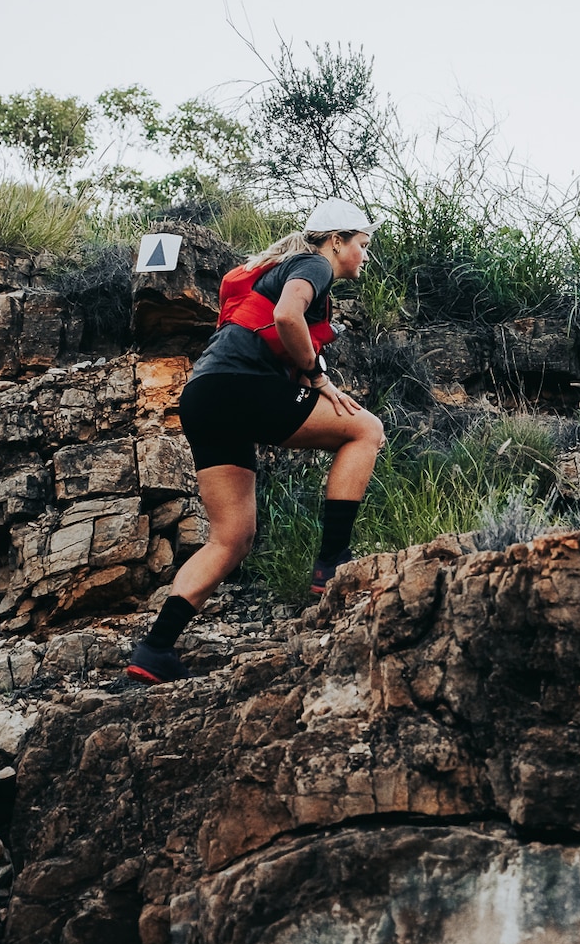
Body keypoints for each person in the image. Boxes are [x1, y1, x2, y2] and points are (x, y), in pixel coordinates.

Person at [126, 197, 386, 684]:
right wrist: (316, 376)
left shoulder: (284, 267)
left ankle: (155, 648)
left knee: (231, 538)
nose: (365, 256)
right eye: (362, 244)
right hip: (240, 387)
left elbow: (280, 323)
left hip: (203, 396)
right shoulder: (314, 264)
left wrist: (313, 373)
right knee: (366, 429)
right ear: (337, 241)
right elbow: (289, 318)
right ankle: (331, 565)